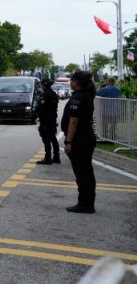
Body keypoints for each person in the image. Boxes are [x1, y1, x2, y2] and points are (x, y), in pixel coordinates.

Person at [61, 70, 97, 214]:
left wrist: (68, 141)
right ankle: (87, 202)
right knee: (86, 172)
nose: (70, 82)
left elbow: (73, 121)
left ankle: (85, 204)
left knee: (82, 173)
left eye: (71, 80)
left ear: (76, 82)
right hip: (86, 137)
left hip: (80, 139)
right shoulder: (87, 95)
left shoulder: (78, 97)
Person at [35, 79, 60, 165]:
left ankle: (48, 157)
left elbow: (41, 108)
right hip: (52, 119)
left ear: (43, 85)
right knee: (53, 138)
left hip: (45, 120)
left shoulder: (44, 95)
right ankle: (56, 156)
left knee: (46, 139)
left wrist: (37, 113)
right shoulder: (54, 94)